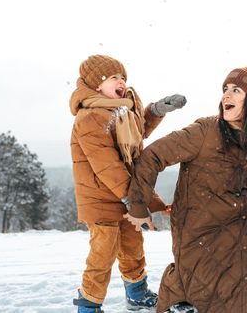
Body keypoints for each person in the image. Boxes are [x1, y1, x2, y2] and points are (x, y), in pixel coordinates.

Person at [124, 63, 247, 313]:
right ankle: (181, 285)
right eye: (225, 89)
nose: (226, 95)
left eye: (237, 91)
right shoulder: (205, 130)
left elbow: (239, 196)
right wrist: (139, 205)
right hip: (201, 242)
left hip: (235, 232)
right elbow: (152, 155)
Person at [69, 54, 187, 312]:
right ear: (96, 84)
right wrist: (134, 200)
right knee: (103, 253)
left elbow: (136, 134)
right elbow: (107, 166)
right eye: (113, 77)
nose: (121, 81)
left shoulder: (121, 111)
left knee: (133, 246)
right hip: (101, 199)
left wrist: (156, 111)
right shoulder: (89, 118)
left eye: (123, 77)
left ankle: (136, 292)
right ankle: (88, 304)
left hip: (124, 195)